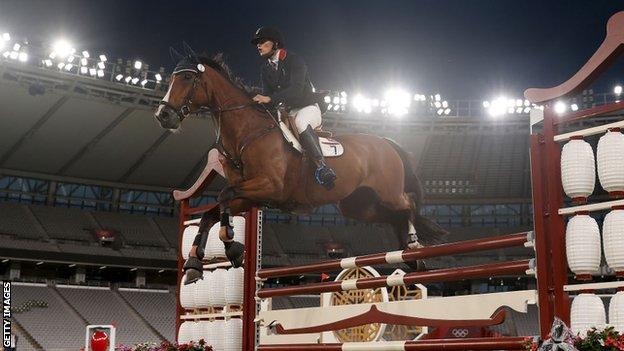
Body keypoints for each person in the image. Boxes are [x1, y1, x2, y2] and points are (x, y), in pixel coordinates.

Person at [251, 26, 337, 190]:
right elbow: (268, 97)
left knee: (301, 123)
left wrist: (269, 98)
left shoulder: (294, 60)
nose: (258, 46)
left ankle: (322, 167)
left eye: (262, 42)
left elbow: (296, 90)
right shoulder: (265, 69)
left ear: (275, 44)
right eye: (257, 43)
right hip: (288, 111)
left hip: (309, 107)